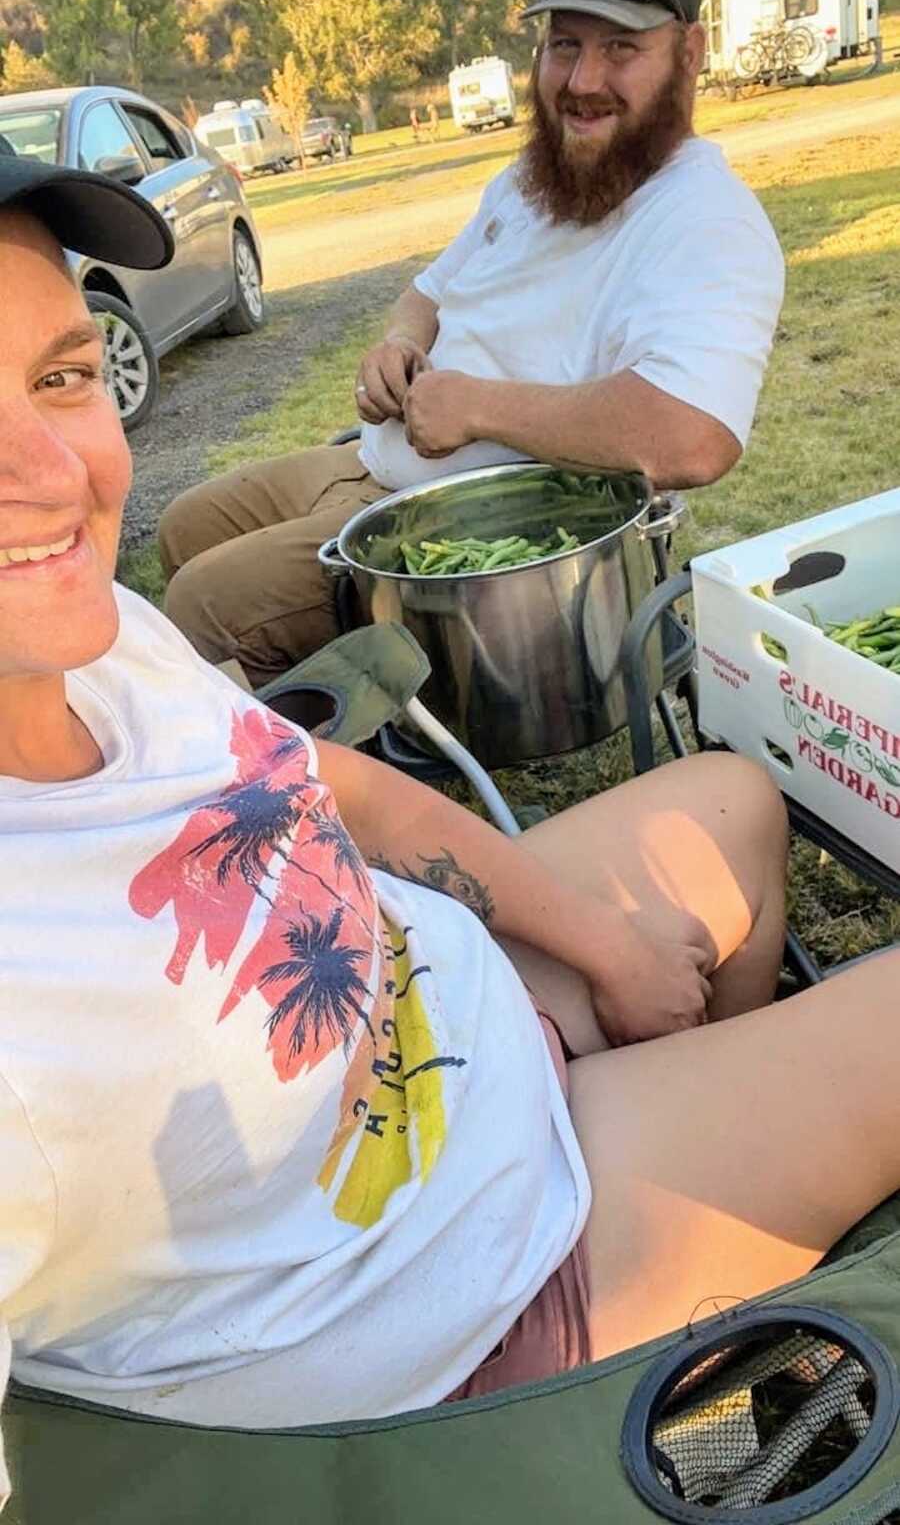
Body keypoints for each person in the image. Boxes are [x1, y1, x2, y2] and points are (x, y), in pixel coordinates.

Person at [5, 156, 900, 1521]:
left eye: (59, 376)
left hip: (436, 1023)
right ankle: (709, 1393)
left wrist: (599, 943)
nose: (52, 470)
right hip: (463, 1276)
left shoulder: (102, 639)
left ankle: (734, 1205)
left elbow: (328, 792)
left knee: (736, 801)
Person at [158, 0, 786, 688]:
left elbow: (695, 437)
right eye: (564, 45)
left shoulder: (706, 218)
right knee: (179, 530)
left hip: (466, 535)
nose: (582, 80)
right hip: (368, 462)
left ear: (689, 54)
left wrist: (477, 407)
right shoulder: (533, 182)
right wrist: (395, 345)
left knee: (203, 605)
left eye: (621, 48)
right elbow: (427, 292)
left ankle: (322, 771)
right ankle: (350, 695)